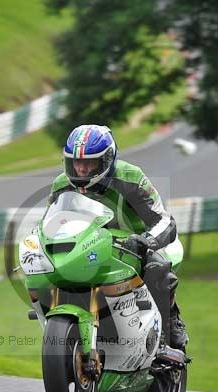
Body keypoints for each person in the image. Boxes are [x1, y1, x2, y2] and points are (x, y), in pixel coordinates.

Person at [48, 124, 188, 349]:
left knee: (156, 267)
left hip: (134, 244)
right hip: (90, 246)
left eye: (89, 163)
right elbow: (51, 223)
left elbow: (164, 220)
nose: (82, 170)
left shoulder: (131, 177)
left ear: (107, 160)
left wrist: (148, 241)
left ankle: (168, 325)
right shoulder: (61, 185)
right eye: (77, 162)